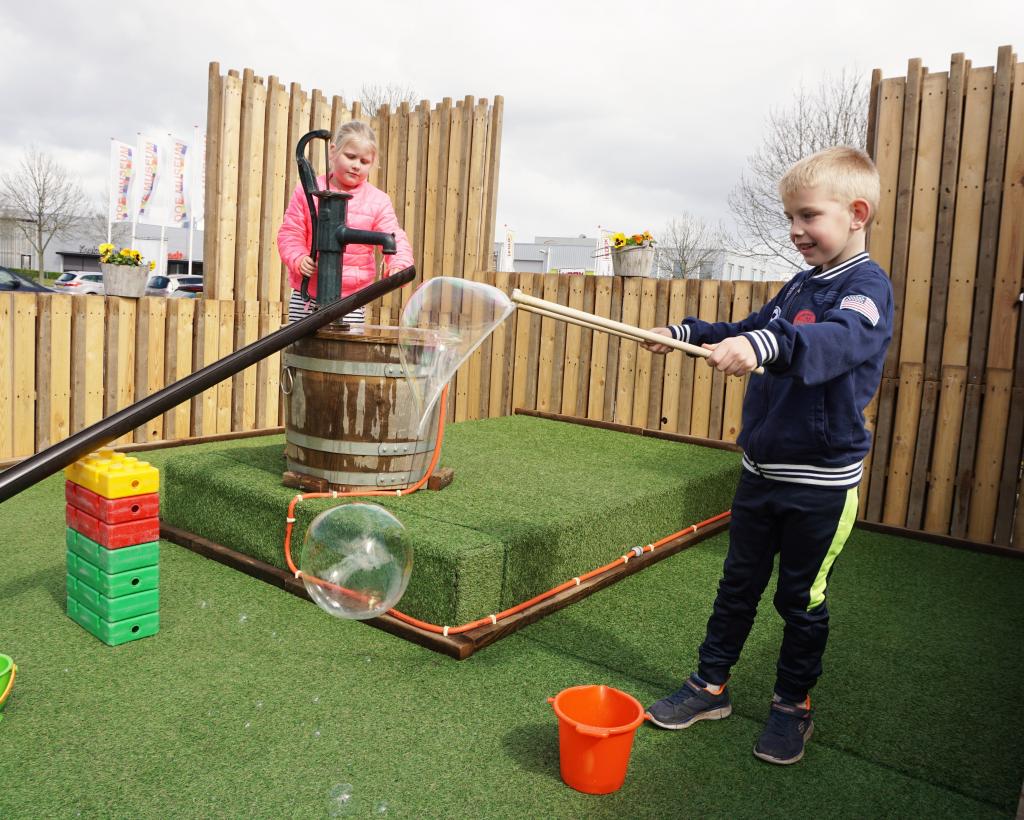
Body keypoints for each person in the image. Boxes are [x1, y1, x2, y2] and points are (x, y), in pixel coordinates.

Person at [643, 146, 893, 765]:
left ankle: (792, 706)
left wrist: (765, 345)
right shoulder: (801, 285)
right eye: (790, 217)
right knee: (738, 585)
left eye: (808, 215)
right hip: (760, 475)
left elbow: (830, 342)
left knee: (800, 599)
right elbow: (752, 325)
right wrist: (687, 334)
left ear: (856, 212)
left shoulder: (867, 290)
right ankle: (710, 687)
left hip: (821, 488)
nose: (794, 230)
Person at [277, 121, 414, 324]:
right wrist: (298, 258)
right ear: (333, 152)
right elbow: (290, 232)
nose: (356, 165)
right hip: (306, 295)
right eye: (350, 156)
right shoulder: (310, 190)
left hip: (352, 300)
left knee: (344, 352)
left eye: (364, 161)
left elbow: (394, 236)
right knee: (300, 350)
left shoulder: (377, 200)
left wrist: (399, 264)